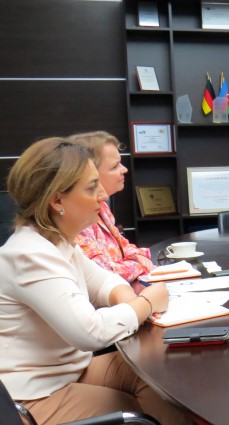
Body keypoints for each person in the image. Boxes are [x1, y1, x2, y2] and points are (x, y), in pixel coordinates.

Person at [0, 138, 190, 423]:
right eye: (91, 187)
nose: (103, 195)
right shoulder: (29, 255)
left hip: (67, 371)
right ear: (57, 200)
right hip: (34, 396)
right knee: (144, 409)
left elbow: (102, 281)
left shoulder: (57, 242)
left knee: (158, 376)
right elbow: (90, 332)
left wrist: (129, 299)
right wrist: (146, 304)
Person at [69, 131, 154, 293]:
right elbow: (102, 273)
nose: (125, 170)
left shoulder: (102, 206)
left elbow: (124, 246)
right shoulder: (77, 217)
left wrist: (137, 258)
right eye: (115, 166)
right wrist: (141, 264)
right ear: (89, 174)